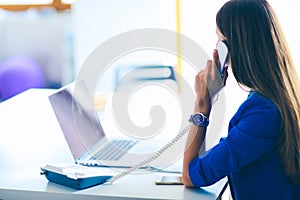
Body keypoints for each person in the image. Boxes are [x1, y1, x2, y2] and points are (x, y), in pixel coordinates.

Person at [182, 0, 300, 199]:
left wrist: (202, 105)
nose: (215, 51)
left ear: (232, 49)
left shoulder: (263, 114)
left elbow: (191, 175)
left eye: (220, 41)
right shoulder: (275, 99)